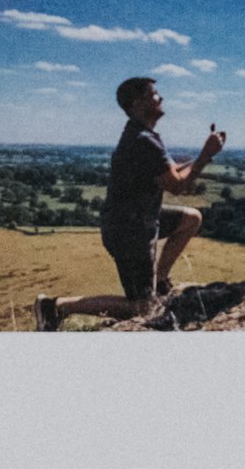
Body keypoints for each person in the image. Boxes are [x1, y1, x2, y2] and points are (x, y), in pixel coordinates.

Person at [36, 76, 224, 330]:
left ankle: (159, 280)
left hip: (139, 221)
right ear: (139, 103)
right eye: (155, 94)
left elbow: (169, 172)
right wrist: (206, 155)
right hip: (129, 232)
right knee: (144, 309)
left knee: (191, 219)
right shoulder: (143, 140)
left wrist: (202, 157)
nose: (161, 98)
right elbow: (178, 186)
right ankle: (56, 306)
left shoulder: (142, 135)